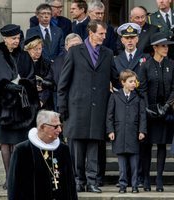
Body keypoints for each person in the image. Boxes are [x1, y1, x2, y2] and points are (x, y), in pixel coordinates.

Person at [57, 20, 119, 193]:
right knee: (77, 147)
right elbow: (63, 83)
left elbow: (115, 79)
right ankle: (78, 180)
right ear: (91, 33)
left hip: (99, 108)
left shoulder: (107, 53)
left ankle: (92, 181)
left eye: (105, 34)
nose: (104, 37)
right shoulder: (75, 52)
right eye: (101, 33)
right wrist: (62, 109)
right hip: (76, 108)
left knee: (94, 147)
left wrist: (131, 86)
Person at [0, 24, 39, 190]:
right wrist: (6, 86)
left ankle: (19, 177)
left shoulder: (25, 56)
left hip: (21, 108)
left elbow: (31, 78)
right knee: (5, 144)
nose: (16, 41)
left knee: (20, 144)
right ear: (5, 39)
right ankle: (8, 178)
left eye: (18, 38)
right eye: (13, 39)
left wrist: (22, 85)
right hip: (3, 107)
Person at [8, 110, 78, 200]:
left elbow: (71, 184)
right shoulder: (22, 150)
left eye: (60, 126)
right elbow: (14, 187)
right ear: (42, 127)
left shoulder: (63, 149)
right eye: (56, 127)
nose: (60, 130)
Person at [139, 32, 174, 192]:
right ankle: (146, 178)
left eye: (167, 45)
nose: (166, 48)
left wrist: (167, 106)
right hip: (149, 111)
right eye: (163, 45)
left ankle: (159, 178)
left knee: (161, 145)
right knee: (146, 146)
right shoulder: (145, 65)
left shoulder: (172, 64)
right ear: (155, 47)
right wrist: (147, 108)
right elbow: (142, 89)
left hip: (165, 111)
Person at [106, 69, 146, 193]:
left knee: (134, 163)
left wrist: (142, 131)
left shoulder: (138, 98)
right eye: (131, 81)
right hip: (119, 133)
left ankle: (134, 185)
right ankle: (123, 185)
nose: (134, 83)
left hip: (133, 133)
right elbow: (110, 115)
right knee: (122, 163)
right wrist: (110, 130)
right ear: (123, 82)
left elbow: (142, 115)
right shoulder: (115, 96)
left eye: (135, 81)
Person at [24, 33, 54, 110]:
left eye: (40, 49)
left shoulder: (46, 64)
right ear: (28, 49)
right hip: (25, 102)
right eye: (35, 49)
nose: (38, 51)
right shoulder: (21, 64)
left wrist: (41, 101)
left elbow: (50, 84)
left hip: (44, 103)